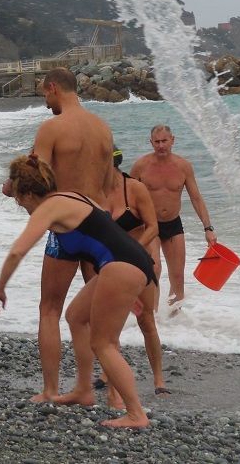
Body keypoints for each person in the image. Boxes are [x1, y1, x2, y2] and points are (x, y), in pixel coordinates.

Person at [0, 155, 154, 429]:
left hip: (122, 267)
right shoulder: (72, 197)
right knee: (76, 315)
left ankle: (136, 413)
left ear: (30, 192)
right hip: (128, 263)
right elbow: (104, 232)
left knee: (104, 343)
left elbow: (18, 249)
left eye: (20, 199)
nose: (20, 204)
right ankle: (83, 390)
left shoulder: (51, 206)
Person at [29, 67, 114, 404]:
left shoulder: (52, 128)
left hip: (67, 226)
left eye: (43, 94)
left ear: (53, 88)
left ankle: (51, 390)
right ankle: (96, 388)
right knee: (97, 311)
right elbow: (108, 186)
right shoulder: (103, 128)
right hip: (101, 224)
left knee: (50, 309)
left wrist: (12, 188)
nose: (45, 101)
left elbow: (35, 180)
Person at [103, 147, 167, 399]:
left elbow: (152, 227)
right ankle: (112, 382)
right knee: (110, 326)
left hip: (139, 262)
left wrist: (133, 250)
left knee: (146, 320)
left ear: (113, 163)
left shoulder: (135, 189)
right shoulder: (96, 192)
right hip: (110, 266)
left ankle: (159, 379)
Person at [130, 124, 216, 308]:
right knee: (154, 268)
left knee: (177, 275)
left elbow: (196, 198)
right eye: (157, 142)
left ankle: (174, 319)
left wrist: (208, 228)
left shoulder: (183, 166)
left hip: (173, 223)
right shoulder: (141, 166)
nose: (161, 145)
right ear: (151, 142)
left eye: (164, 141)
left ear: (172, 141)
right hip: (148, 224)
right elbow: (127, 196)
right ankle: (152, 316)